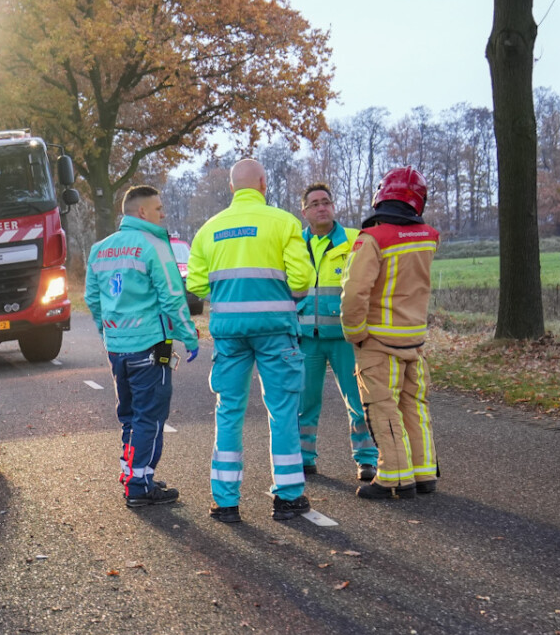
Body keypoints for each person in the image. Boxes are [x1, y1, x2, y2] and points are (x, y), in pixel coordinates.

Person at [183, 159, 314, 523]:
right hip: (275, 330)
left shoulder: (209, 229)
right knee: (283, 411)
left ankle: (225, 502)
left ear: (231, 188)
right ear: (263, 183)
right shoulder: (283, 222)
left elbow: (196, 285)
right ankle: (288, 497)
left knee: (228, 411)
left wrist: (229, 295)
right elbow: (301, 280)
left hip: (229, 333)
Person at [84, 185, 200, 507]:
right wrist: (189, 336)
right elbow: (173, 297)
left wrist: (107, 331)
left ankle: (132, 473)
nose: (163, 213)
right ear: (142, 212)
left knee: (130, 415)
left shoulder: (100, 249)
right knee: (150, 416)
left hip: (117, 348)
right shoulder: (153, 246)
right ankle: (140, 484)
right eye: (159, 208)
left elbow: (92, 298)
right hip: (151, 345)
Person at [341, 168, 439, 499]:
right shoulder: (428, 237)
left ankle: (394, 478)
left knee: (384, 408)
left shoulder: (372, 239)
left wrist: (354, 332)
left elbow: (354, 292)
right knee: (415, 408)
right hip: (414, 339)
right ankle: (423, 473)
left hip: (379, 341)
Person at [294, 183, 379, 482]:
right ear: (304, 212)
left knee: (359, 400)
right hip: (307, 338)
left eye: (326, 202)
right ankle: (304, 458)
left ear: (333, 206)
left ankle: (367, 459)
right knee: (304, 403)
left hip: (347, 337)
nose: (322, 207)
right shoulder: (295, 244)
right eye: (315, 204)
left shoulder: (356, 240)